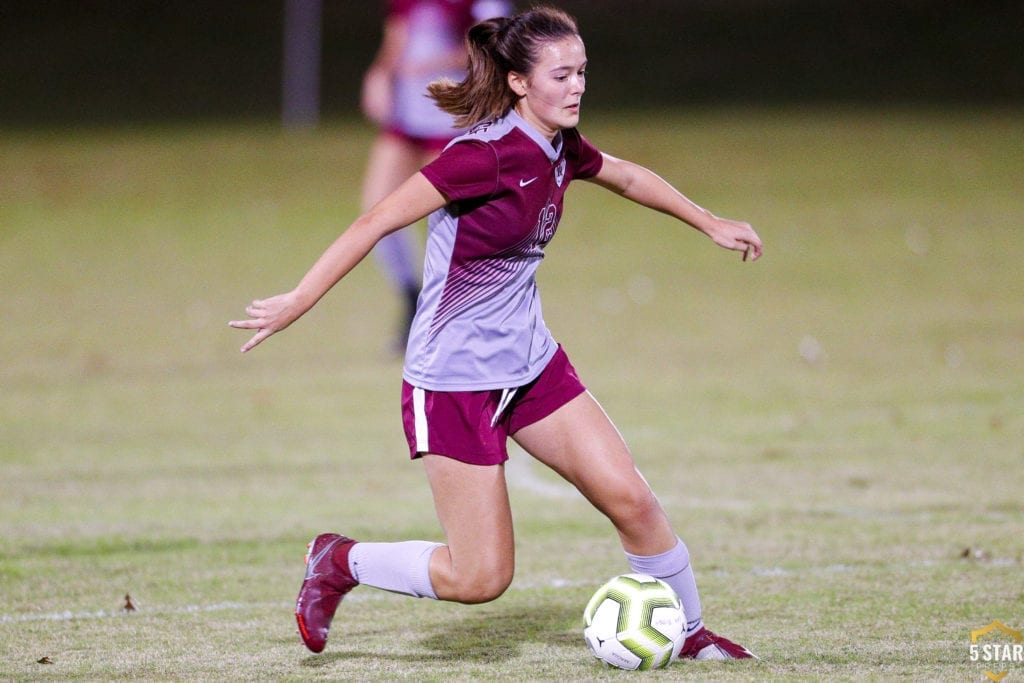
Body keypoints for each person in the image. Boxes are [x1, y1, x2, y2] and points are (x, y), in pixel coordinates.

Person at [230, 5, 763, 660]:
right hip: (454, 381)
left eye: (582, 73)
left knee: (634, 501)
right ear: (518, 82)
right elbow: (375, 222)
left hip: (531, 367)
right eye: (562, 75)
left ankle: (685, 631)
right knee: (480, 576)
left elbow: (625, 175)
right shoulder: (481, 157)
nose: (577, 87)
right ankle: (339, 559)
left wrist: (709, 221)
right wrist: (299, 299)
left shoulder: (561, 145)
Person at [360, 0, 512, 350]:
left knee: (448, 223)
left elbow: (494, 51)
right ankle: (411, 298)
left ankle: (458, 314)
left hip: (451, 119)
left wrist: (432, 64)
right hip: (406, 117)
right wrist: (380, 74)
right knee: (376, 209)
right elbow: (397, 40)